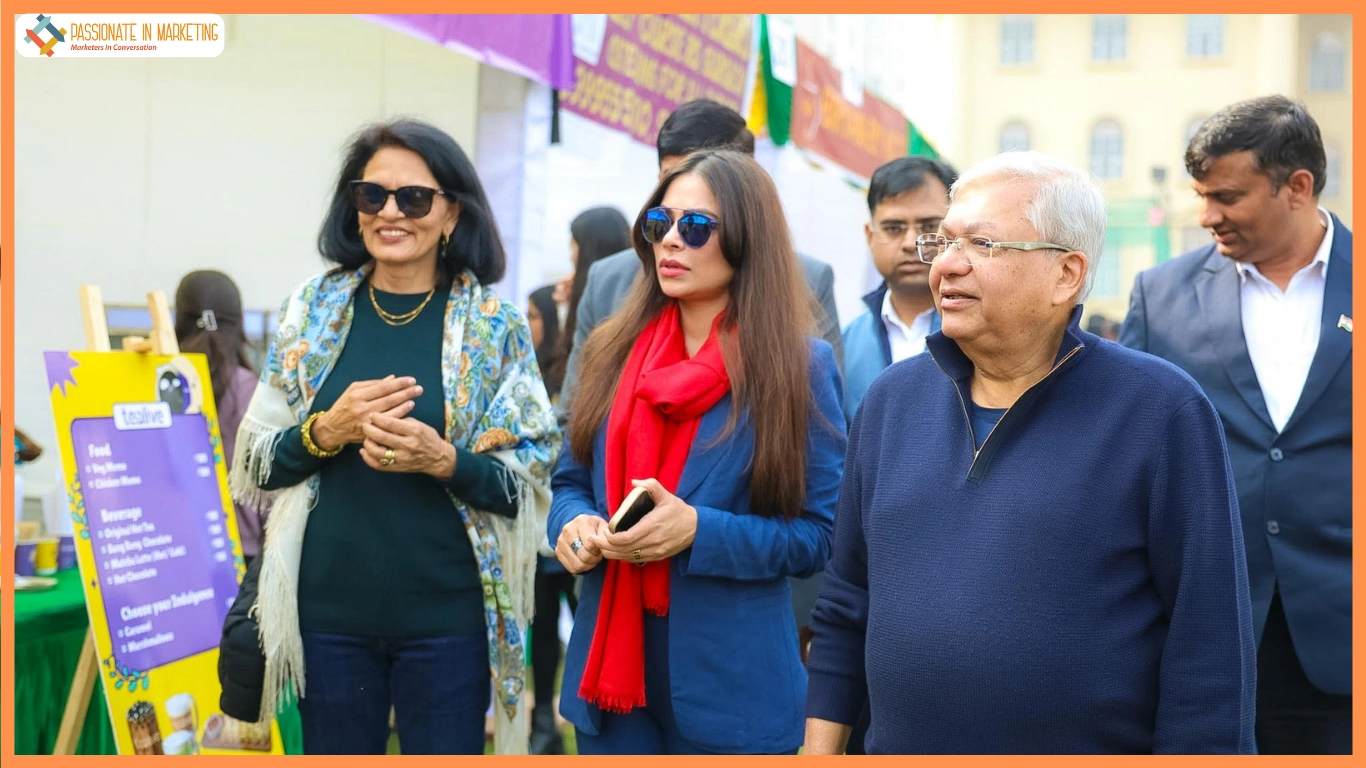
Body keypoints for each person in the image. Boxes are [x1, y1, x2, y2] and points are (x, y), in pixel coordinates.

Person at [805, 151, 1255, 754]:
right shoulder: (890, 402)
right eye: (946, 242)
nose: (947, 264)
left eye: (983, 244)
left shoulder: (1160, 411)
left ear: (1067, 274)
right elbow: (846, 604)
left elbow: (1209, 643)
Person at [227, 119, 561, 755]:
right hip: (327, 620)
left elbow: (529, 485)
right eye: (372, 195)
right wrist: (326, 431)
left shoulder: (495, 327)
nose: (390, 212)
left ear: (452, 214)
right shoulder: (311, 311)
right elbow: (256, 464)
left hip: (447, 622)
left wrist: (444, 460)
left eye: (413, 198)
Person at [548, 149, 846, 754]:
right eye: (660, 222)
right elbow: (571, 480)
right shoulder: (612, 349)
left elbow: (819, 536)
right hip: (612, 676)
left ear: (746, 238)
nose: (671, 240)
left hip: (733, 688)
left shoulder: (798, 366)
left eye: (697, 226)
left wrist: (698, 531)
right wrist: (573, 524)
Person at [1119, 95, 1351, 755]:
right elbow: (1127, 453)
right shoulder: (1160, 295)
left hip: (1344, 642)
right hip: (1200, 634)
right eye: (1201, 196)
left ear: (1297, 187)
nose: (1206, 216)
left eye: (1226, 197)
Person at [842, 156, 957, 421]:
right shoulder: (845, 343)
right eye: (894, 228)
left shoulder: (982, 331)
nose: (910, 243)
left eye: (929, 227)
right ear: (870, 236)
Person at [175, 270, 266, 564]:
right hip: (240, 548)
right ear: (238, 322)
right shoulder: (250, 389)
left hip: (171, 546)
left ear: (179, 320)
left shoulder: (160, 383)